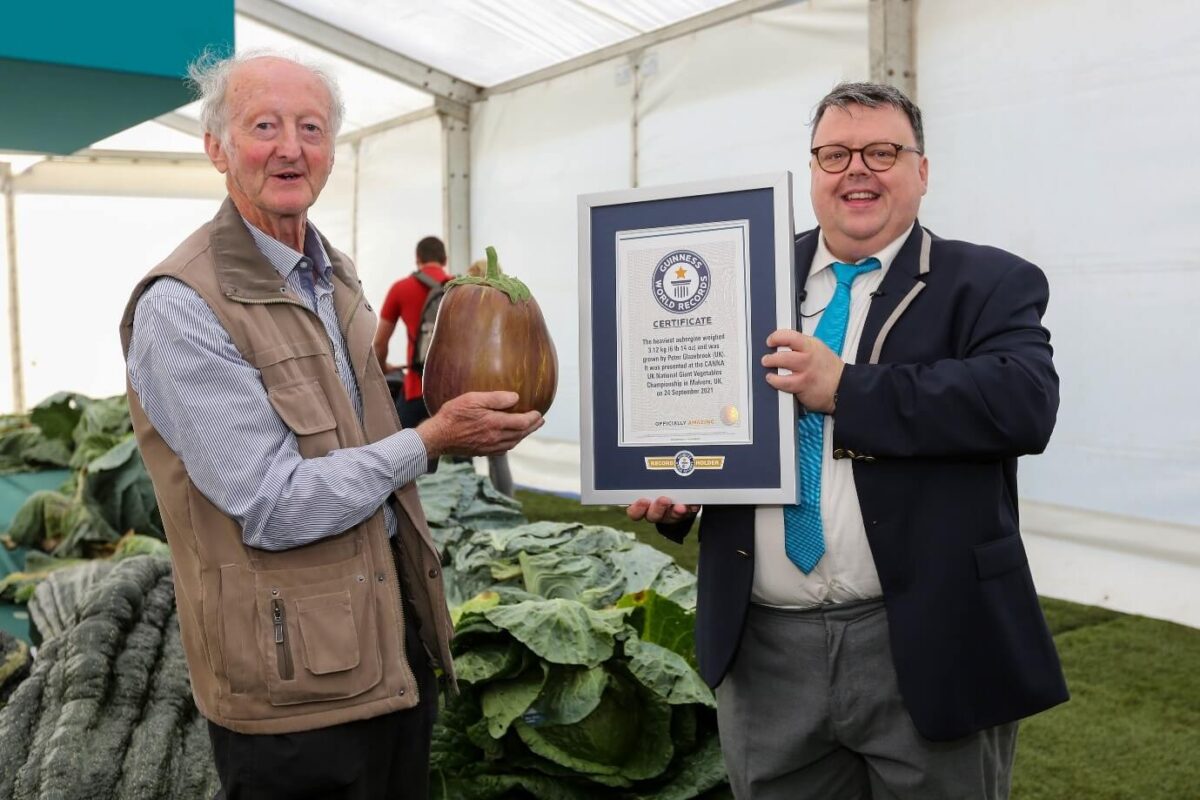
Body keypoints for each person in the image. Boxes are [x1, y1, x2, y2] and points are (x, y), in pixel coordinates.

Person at [119, 51, 542, 799]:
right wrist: (434, 438)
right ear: (216, 147)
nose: (291, 147)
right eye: (264, 126)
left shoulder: (333, 273)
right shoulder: (181, 307)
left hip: (388, 649)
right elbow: (274, 503)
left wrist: (460, 402)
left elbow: (358, 430)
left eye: (311, 127)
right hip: (290, 693)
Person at [628, 82, 1068, 799]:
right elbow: (705, 409)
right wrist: (685, 480)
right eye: (835, 154)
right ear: (812, 172)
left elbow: (1023, 402)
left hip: (926, 638)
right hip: (766, 649)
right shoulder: (741, 272)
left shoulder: (987, 282)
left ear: (921, 172)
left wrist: (847, 390)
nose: (856, 169)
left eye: (882, 151)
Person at [374, 235, 450, 430]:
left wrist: (383, 366)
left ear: (418, 259)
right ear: (444, 260)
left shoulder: (401, 289)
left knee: (399, 451)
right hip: (453, 393)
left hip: (417, 390)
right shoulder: (458, 289)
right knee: (455, 459)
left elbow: (380, 344)